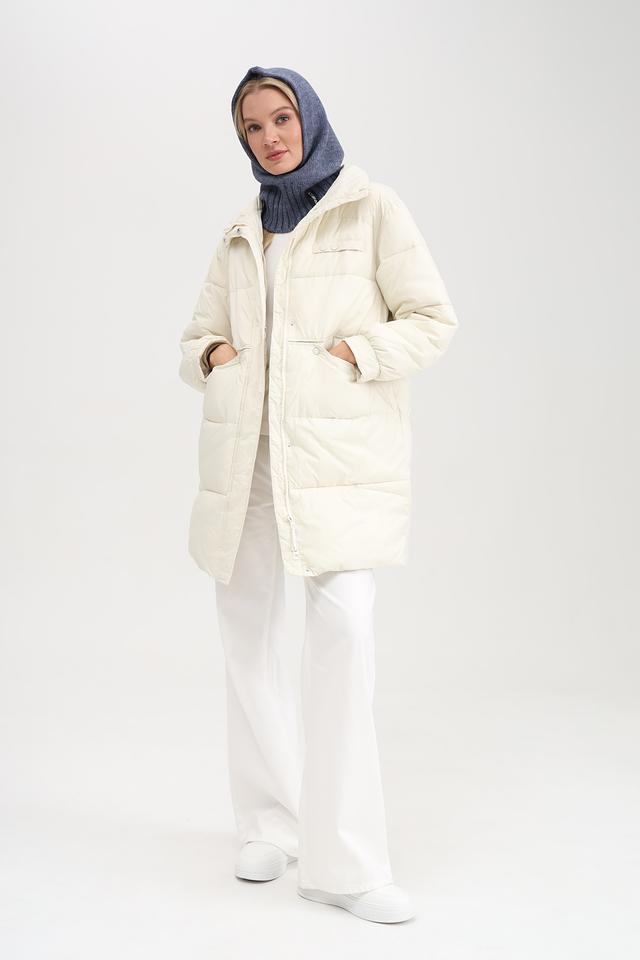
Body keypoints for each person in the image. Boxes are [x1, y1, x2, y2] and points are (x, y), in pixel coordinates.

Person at [178, 65, 459, 924]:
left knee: (343, 637)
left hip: (334, 462)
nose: (270, 137)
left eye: (281, 117)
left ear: (310, 117)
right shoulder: (243, 229)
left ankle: (346, 862)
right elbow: (197, 337)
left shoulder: (371, 209)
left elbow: (431, 320)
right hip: (248, 462)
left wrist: (354, 357)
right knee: (248, 637)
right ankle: (269, 822)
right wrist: (214, 359)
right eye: (252, 127)